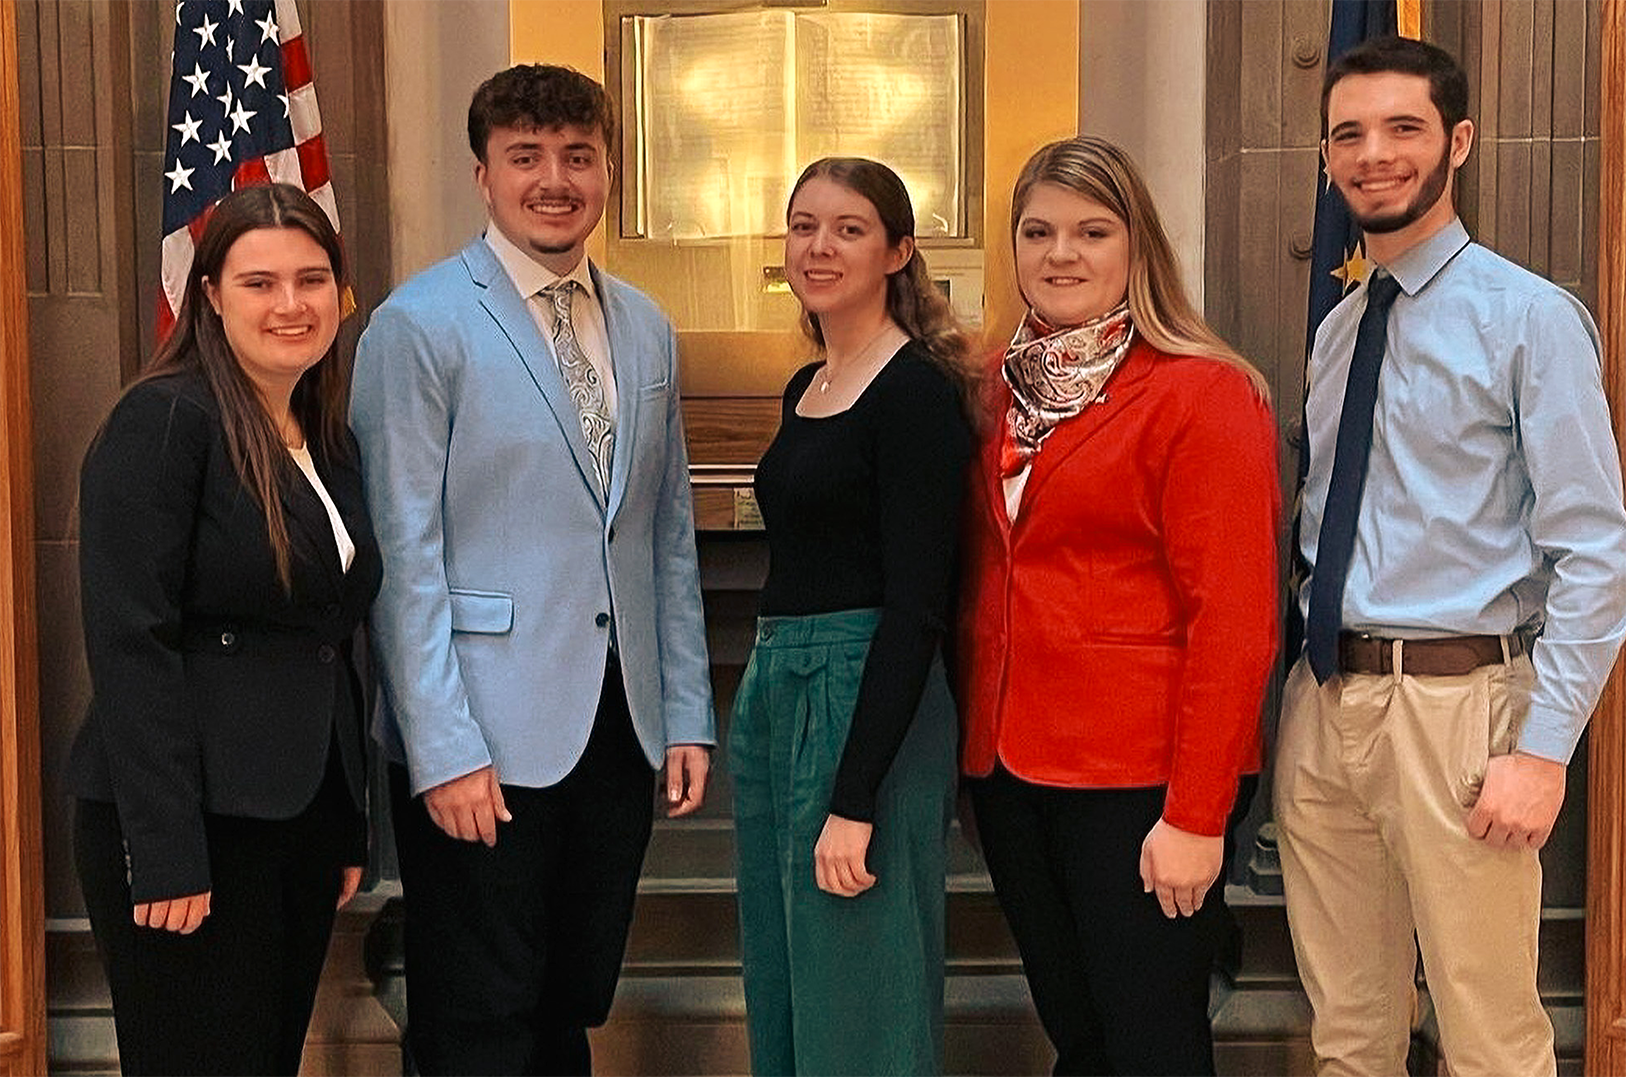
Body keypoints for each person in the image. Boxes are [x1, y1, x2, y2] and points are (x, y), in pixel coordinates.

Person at [350, 63, 715, 1077]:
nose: (554, 179)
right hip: (484, 743)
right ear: (483, 175)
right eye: (526, 158)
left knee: (570, 1003)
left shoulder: (644, 326)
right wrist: (443, 747)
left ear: (608, 172)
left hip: (616, 729)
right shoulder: (418, 327)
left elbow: (663, 533)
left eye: (578, 157)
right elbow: (403, 555)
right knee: (478, 1018)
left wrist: (683, 711)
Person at [1275, 35, 1626, 1076]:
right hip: (1327, 701)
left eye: (1403, 128)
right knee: (1348, 1034)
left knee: (1488, 1038)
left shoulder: (1530, 320)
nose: (1372, 152)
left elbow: (1595, 553)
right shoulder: (1340, 331)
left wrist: (1545, 748)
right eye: (1349, 132)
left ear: (1458, 141)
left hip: (1460, 711)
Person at [957, 136, 1280, 1076]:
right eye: (1039, 231)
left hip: (1145, 783)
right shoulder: (989, 390)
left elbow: (1237, 620)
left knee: (1152, 1041)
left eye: (1093, 231)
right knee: (1080, 1031)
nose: (1062, 253)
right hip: (1013, 772)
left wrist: (1197, 813)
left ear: (1138, 246)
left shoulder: (1204, 392)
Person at [70, 182, 380, 1077]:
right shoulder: (163, 420)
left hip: (298, 816)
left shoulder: (325, 437)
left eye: (313, 279)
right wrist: (164, 850)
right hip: (190, 824)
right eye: (260, 282)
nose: (292, 304)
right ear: (209, 294)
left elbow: (328, 639)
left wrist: (346, 819)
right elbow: (132, 643)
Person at [729, 157, 972, 1077]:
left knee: (862, 984)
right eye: (803, 225)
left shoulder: (914, 392)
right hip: (779, 688)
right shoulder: (805, 385)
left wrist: (854, 795)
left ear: (898, 250)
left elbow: (917, 609)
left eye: (848, 228)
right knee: (788, 968)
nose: (819, 246)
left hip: (867, 696)